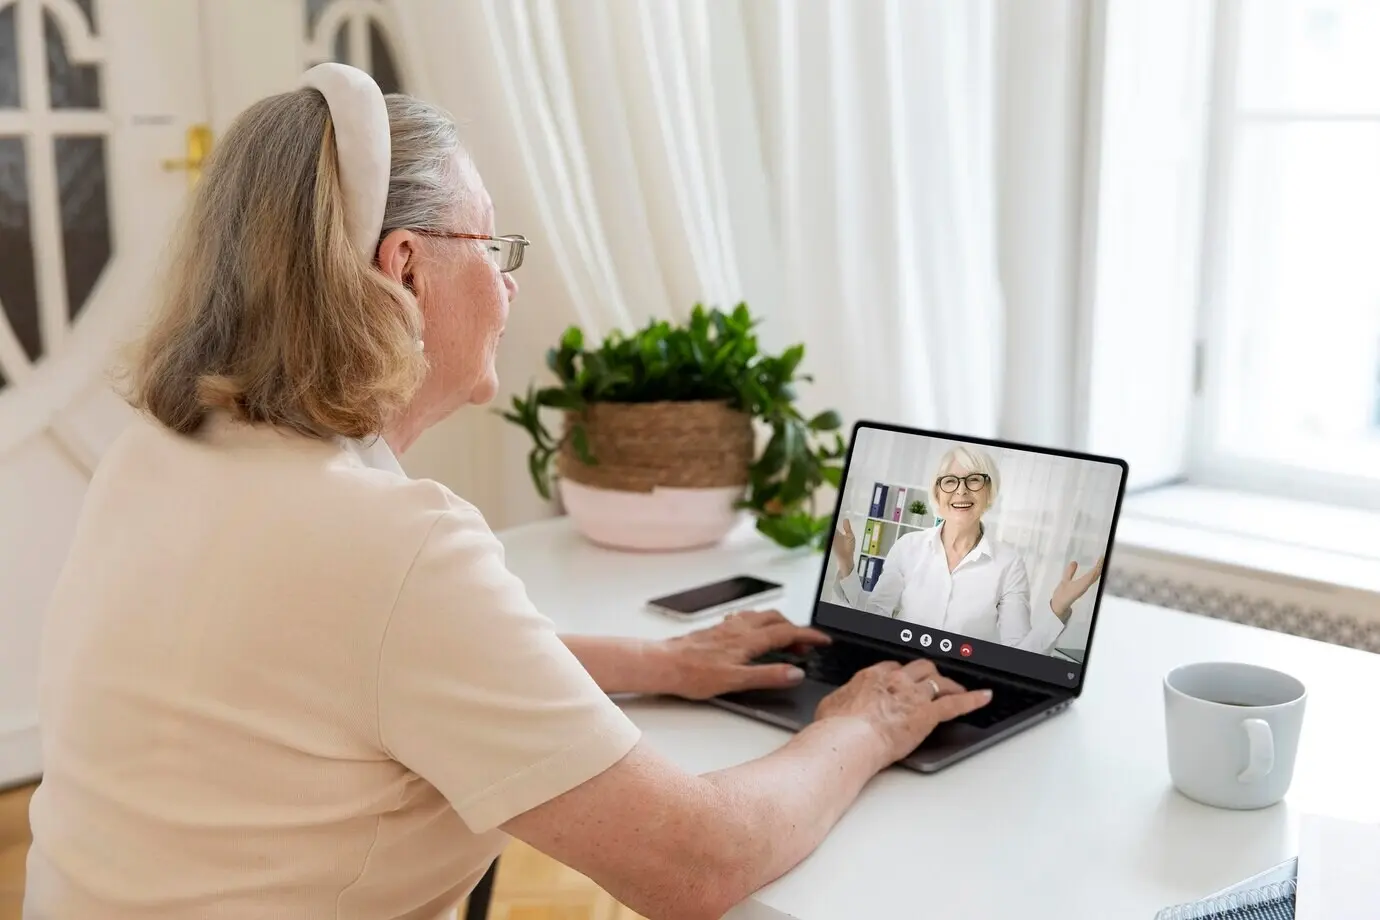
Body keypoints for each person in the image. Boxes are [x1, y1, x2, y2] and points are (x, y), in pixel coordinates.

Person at [22, 64, 992, 920]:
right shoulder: (387, 543)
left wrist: (658, 662)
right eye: (493, 244)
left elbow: (355, 671)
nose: (509, 283)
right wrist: (865, 724)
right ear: (403, 268)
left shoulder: (160, 456)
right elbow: (698, 861)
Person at [830, 444, 1104, 654]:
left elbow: (1019, 652)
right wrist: (846, 567)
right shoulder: (907, 547)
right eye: (950, 481)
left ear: (989, 492)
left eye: (974, 480)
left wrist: (1057, 609)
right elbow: (874, 618)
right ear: (937, 494)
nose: (961, 491)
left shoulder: (1008, 563)